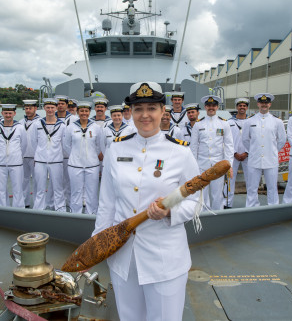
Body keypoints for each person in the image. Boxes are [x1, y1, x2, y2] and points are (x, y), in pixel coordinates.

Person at [93, 81, 200, 321]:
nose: (145, 115)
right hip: (123, 256)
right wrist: (96, 245)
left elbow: (194, 202)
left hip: (164, 258)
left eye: (151, 108)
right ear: (131, 112)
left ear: (163, 111)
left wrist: (169, 212)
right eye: (139, 108)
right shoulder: (116, 149)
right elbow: (106, 204)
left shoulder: (180, 152)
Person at [190, 95, 234, 210]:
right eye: (209, 105)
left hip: (218, 164)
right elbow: (194, 147)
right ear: (205, 107)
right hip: (202, 164)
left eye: (213, 105)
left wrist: (229, 165)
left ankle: (217, 215)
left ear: (217, 107)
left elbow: (229, 145)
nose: (211, 108)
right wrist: (193, 165)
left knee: (217, 194)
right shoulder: (198, 124)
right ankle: (203, 215)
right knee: (202, 194)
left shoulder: (224, 124)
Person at [242, 93, 286, 207]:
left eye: (266, 103)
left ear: (270, 104)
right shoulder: (249, 121)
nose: (264, 105)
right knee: (252, 187)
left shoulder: (277, 122)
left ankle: (273, 207)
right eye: (262, 103)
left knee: (272, 187)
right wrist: (253, 151)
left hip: (271, 159)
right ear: (258, 104)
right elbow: (245, 140)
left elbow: (281, 140)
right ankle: (251, 208)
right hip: (254, 159)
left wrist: (272, 151)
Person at [63, 101, 103, 214]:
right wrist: (75, 154)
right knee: (76, 192)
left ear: (89, 112)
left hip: (92, 165)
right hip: (75, 165)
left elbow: (99, 145)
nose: (84, 113)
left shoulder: (95, 127)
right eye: (81, 111)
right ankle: (75, 213)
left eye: (86, 111)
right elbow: (66, 144)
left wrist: (91, 155)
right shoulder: (70, 127)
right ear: (78, 112)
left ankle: (91, 214)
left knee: (92, 192)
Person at [28, 98, 67, 211]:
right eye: (48, 107)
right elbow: (35, 142)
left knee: (58, 188)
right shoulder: (37, 124)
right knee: (40, 188)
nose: (50, 110)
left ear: (56, 108)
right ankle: (39, 209)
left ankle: (60, 209)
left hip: (56, 161)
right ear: (44, 108)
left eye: (52, 107)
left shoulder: (62, 125)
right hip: (40, 161)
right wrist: (41, 154)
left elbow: (64, 144)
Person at [0, 104, 27, 208]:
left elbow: (23, 145)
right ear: (2, 113)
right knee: (0, 189)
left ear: (14, 114)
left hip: (16, 163)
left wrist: (17, 156)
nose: (8, 115)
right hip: (0, 163)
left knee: (18, 189)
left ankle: (19, 209)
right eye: (6, 113)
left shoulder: (20, 128)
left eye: (10, 113)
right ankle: (2, 208)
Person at [225, 98, 251, 208]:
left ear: (247, 108)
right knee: (230, 180)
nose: (242, 107)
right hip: (232, 156)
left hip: (248, 155)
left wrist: (247, 152)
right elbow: (226, 139)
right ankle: (228, 203)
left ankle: (251, 204)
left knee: (250, 180)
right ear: (236, 107)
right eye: (240, 105)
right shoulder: (229, 123)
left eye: (244, 106)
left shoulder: (251, 122)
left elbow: (254, 139)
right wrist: (234, 153)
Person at [21, 99, 41, 208]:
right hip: (23, 156)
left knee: (37, 181)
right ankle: (25, 202)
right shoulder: (20, 122)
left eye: (30, 108)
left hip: (35, 156)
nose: (28, 110)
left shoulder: (40, 122)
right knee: (24, 180)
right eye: (26, 108)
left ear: (35, 108)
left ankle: (37, 204)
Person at [56, 95, 72, 203]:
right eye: (58, 104)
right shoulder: (51, 118)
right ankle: (56, 202)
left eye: (62, 103)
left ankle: (70, 201)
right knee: (56, 181)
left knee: (70, 180)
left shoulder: (74, 119)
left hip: (69, 155)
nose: (60, 105)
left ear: (66, 105)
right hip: (55, 156)